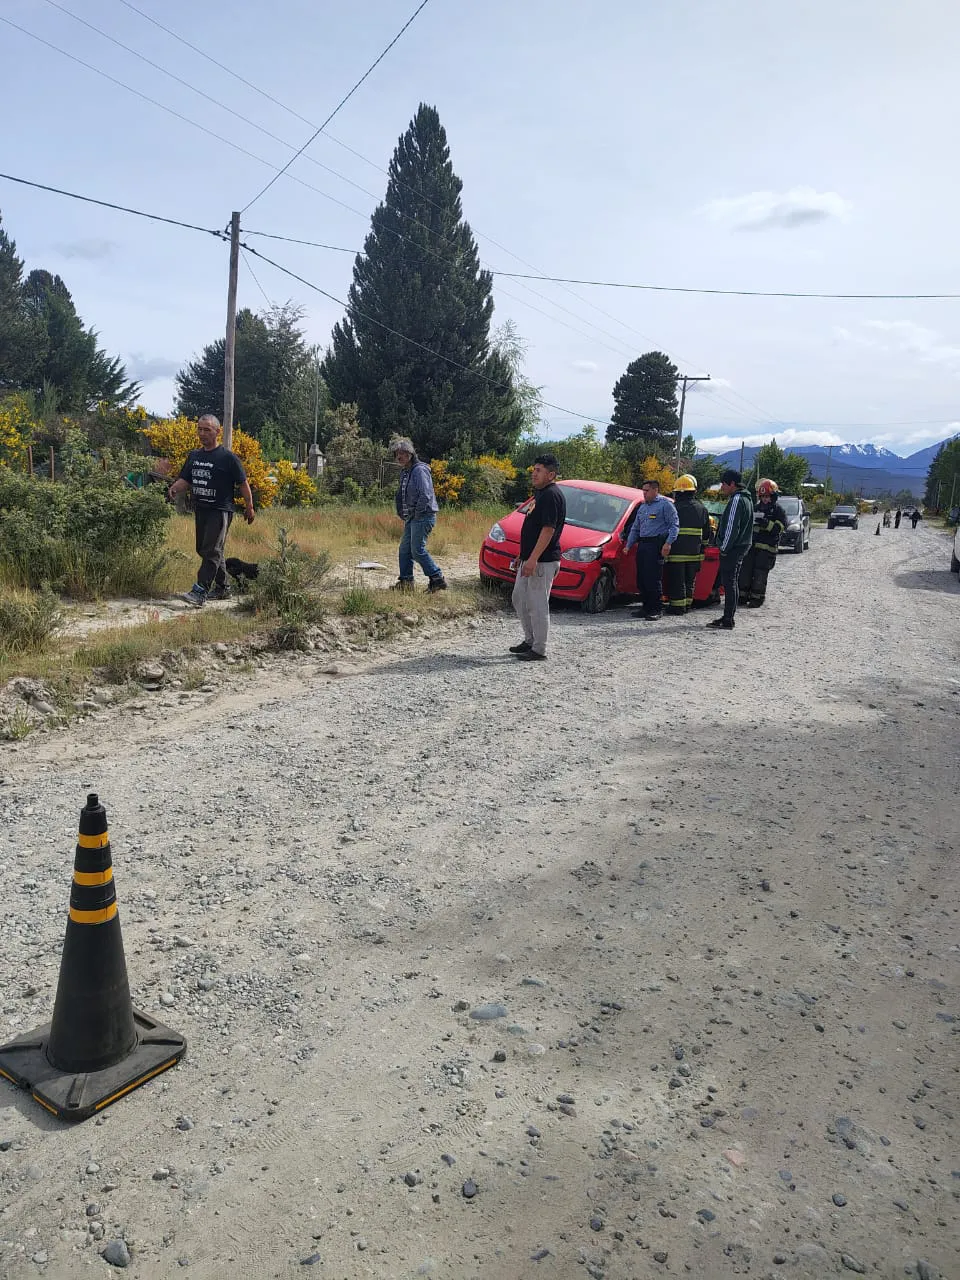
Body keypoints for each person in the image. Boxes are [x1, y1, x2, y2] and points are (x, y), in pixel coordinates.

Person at [167, 414, 254, 607]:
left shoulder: (228, 458)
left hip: (220, 510)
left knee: (212, 550)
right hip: (201, 509)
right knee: (205, 549)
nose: (202, 433)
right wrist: (174, 488)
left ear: (217, 431)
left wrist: (249, 506)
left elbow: (243, 484)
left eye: (207, 429)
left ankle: (200, 591)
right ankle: (223, 587)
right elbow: (186, 480)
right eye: (200, 429)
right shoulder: (194, 456)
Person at [510, 453, 566, 661]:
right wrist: (522, 555)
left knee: (537, 604)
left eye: (539, 470)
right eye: (534, 469)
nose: (534, 473)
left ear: (551, 474)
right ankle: (529, 640)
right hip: (530, 558)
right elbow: (532, 528)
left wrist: (533, 559)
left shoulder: (552, 495)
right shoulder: (540, 493)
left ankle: (539, 649)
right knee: (519, 598)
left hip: (543, 561)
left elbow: (548, 530)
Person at [392, 438, 446, 593]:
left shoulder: (419, 470)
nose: (399, 457)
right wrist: (402, 512)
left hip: (423, 516)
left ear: (410, 453)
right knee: (404, 550)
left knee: (417, 550)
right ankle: (406, 582)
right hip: (412, 517)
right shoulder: (405, 472)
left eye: (403, 453)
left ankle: (437, 579)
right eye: (397, 454)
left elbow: (425, 495)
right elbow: (401, 495)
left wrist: (416, 513)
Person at [625, 478, 679, 620]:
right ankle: (646, 607)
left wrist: (668, 543)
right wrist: (628, 545)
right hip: (643, 544)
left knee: (653, 579)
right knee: (641, 578)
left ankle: (656, 608)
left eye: (647, 491)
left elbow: (674, 525)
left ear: (655, 490)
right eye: (643, 491)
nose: (644, 493)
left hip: (656, 545)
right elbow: (636, 528)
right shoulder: (643, 507)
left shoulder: (665, 505)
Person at [706, 469, 754, 631]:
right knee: (732, 582)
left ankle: (728, 619)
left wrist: (724, 548)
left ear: (732, 484)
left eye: (724, 484)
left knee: (729, 583)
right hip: (741, 547)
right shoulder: (747, 499)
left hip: (732, 549)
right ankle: (728, 616)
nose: (722, 487)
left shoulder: (737, 500)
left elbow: (732, 527)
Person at [664, 474, 712, 615]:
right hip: (694, 554)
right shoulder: (701, 508)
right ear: (693, 491)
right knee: (689, 581)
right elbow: (707, 533)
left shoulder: (673, 508)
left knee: (677, 580)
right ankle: (687, 604)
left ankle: (677, 607)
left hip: (676, 553)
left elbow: (665, 529)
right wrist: (702, 549)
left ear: (677, 492)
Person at [739, 478, 788, 609]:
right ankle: (742, 596)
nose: (765, 499)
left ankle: (757, 598)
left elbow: (780, 528)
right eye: (763, 497)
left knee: (760, 574)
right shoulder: (755, 508)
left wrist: (766, 523)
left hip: (767, 550)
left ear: (773, 496)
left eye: (768, 497)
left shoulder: (778, 511)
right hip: (752, 548)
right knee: (745, 572)